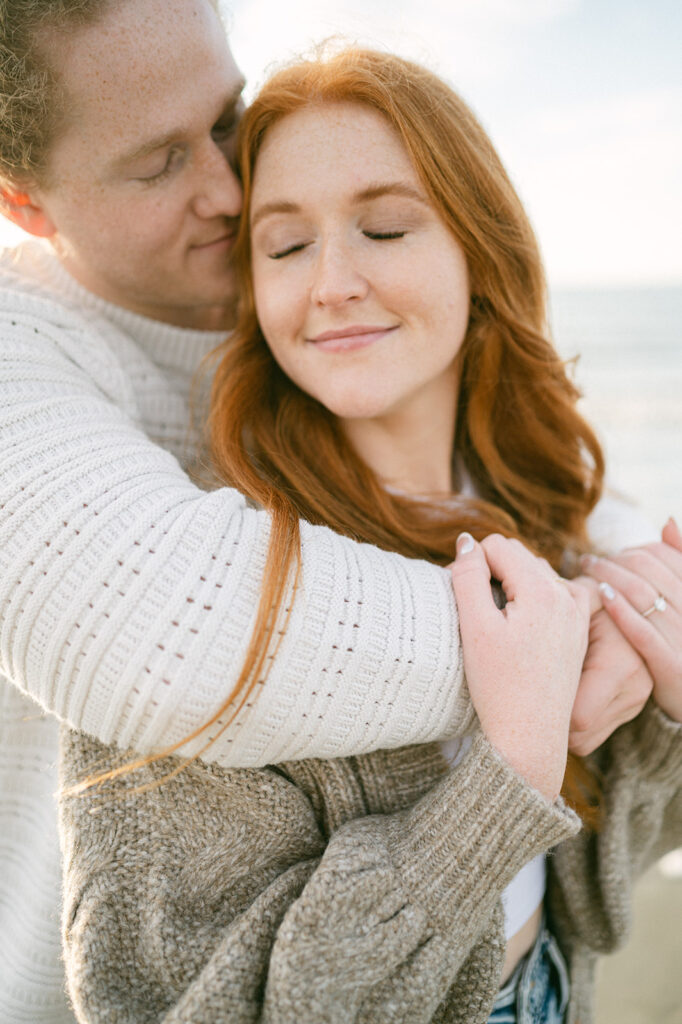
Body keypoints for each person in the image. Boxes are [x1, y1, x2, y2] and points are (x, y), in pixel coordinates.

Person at [0, 3, 658, 1021]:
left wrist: (644, 650)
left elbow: (597, 877)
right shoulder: (93, 428)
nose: (228, 188)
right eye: (158, 162)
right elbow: (154, 635)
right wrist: (542, 672)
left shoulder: (523, 498)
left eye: (227, 121)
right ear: (27, 202)